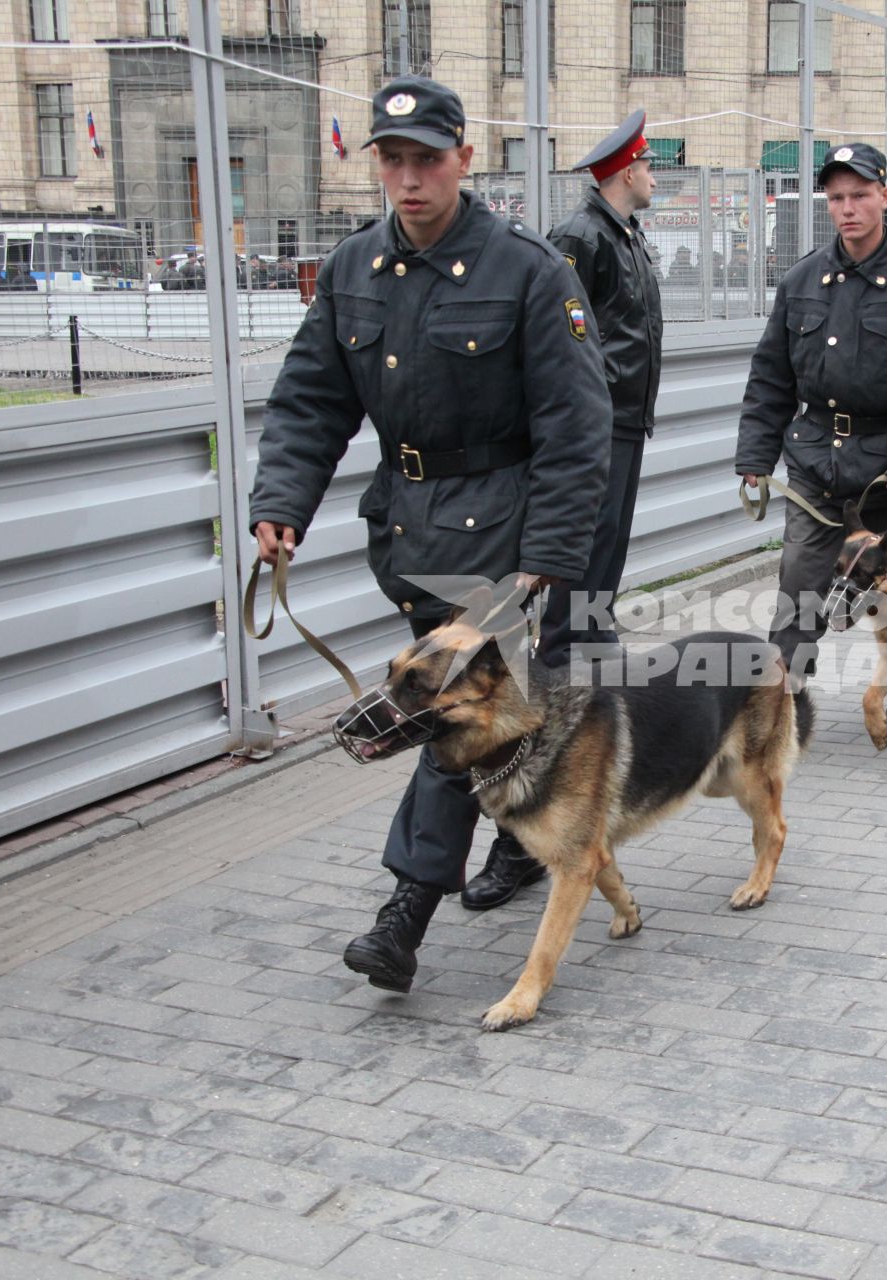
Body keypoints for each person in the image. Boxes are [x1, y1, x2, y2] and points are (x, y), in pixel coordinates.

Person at [248, 75, 611, 992]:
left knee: (448, 716)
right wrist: (282, 501)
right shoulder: (352, 269)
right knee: (504, 722)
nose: (409, 180)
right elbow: (311, 401)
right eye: (392, 160)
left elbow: (577, 425)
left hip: (504, 539)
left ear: (463, 159)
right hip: (409, 532)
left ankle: (404, 914)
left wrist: (547, 562)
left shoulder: (529, 270)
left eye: (427, 160)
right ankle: (528, 844)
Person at [735, 141, 887, 729]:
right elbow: (771, 377)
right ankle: (779, 698)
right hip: (815, 460)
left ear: (885, 197)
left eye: (860, 195)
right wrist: (755, 456)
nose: (847, 209)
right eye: (836, 198)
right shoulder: (802, 280)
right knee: (799, 580)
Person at [538, 109, 664, 666]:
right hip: (595, 415)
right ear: (627, 172)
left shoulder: (625, 234)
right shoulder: (580, 236)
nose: (655, 177)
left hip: (628, 412)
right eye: (648, 166)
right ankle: (561, 646)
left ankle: (592, 629)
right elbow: (556, 330)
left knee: (612, 532)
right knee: (587, 532)